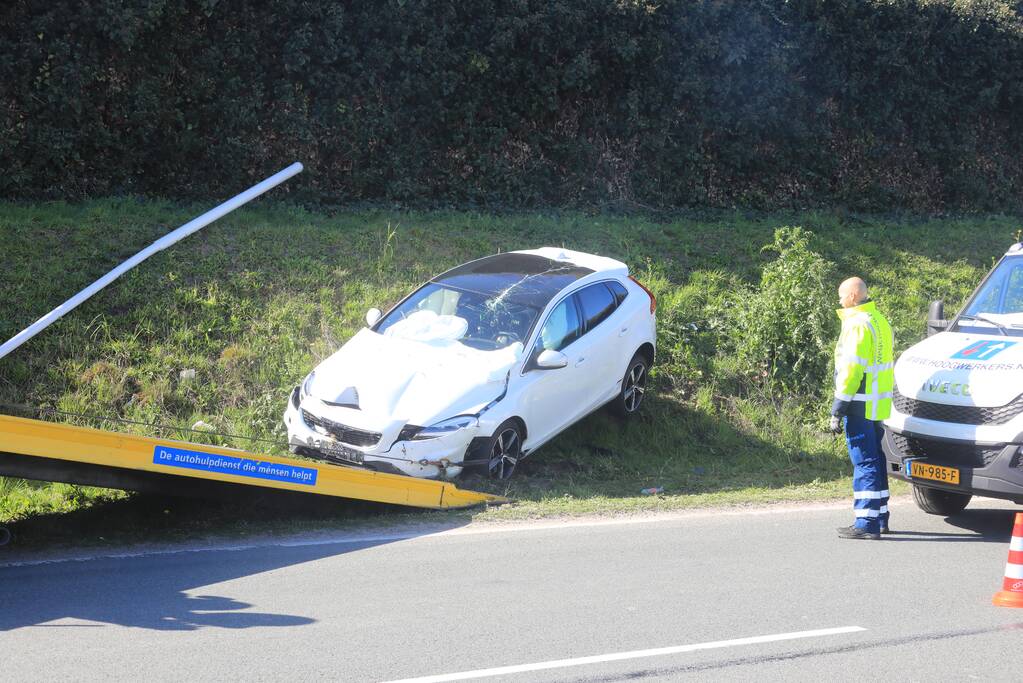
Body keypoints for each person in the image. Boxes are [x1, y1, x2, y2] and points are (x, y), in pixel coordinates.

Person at [829, 277, 895, 540]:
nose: (839, 300)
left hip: (858, 403)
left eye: (841, 295)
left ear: (853, 296)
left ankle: (866, 522)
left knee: (864, 461)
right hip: (877, 404)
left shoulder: (856, 324)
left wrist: (838, 407)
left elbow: (851, 370)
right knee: (876, 459)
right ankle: (880, 517)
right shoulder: (879, 320)